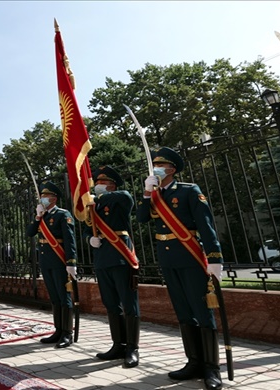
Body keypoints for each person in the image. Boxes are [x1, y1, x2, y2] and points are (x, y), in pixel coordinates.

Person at [136, 147, 224, 390]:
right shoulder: (153, 194)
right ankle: (193, 362)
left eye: (161, 166)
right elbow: (142, 219)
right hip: (168, 259)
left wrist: (215, 258)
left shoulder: (188, 190)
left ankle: (211, 368)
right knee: (184, 311)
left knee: (202, 309)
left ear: (171, 169)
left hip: (190, 256)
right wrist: (146, 192)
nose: (156, 169)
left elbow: (205, 225)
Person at [85, 166, 140, 368]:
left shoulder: (119, 199)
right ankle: (118, 344)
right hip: (102, 259)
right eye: (97, 183)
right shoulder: (94, 207)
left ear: (112, 185)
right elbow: (86, 228)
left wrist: (96, 198)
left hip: (120, 256)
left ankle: (132, 348)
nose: (98, 186)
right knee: (110, 304)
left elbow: (126, 197)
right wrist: (89, 238)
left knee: (129, 303)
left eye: (102, 183)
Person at [26, 181, 77, 349]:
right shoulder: (42, 215)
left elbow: (69, 240)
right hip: (46, 261)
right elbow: (30, 233)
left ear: (54, 198)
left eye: (46, 196)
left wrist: (71, 262)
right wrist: (37, 217)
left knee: (64, 297)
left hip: (60, 260)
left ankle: (67, 333)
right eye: (41, 196)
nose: (42, 199)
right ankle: (58, 330)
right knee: (54, 297)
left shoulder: (63, 214)